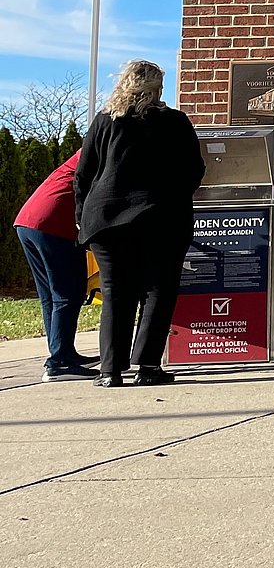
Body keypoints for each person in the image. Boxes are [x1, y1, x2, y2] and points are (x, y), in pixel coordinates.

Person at [74, 60, 205, 388]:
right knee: (158, 291)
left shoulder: (105, 120)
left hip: (107, 219)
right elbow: (194, 170)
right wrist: (175, 197)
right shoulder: (174, 122)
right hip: (162, 217)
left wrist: (82, 217)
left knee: (116, 293)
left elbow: (84, 173)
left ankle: (110, 372)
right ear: (158, 87)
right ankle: (147, 367)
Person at [13, 151, 100, 381]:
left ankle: (63, 354)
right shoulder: (105, 148)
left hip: (29, 221)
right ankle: (60, 362)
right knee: (67, 292)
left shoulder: (90, 148)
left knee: (51, 296)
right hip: (54, 223)